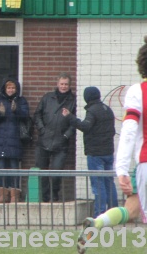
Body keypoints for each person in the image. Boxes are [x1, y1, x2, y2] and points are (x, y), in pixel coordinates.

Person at [76, 37, 147, 254]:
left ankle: (96, 224)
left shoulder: (138, 91)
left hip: (144, 164)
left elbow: (128, 132)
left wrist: (122, 169)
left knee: (132, 209)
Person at [62, 86, 117, 217]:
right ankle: (114, 213)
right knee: (109, 182)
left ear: (87, 97)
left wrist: (70, 117)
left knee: (98, 185)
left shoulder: (92, 111)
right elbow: (112, 131)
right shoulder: (107, 110)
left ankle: (100, 215)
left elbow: (85, 126)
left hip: (95, 154)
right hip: (108, 152)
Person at [33, 73, 76, 202]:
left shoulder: (73, 101)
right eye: (61, 84)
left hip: (61, 143)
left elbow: (75, 122)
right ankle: (46, 197)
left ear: (69, 85)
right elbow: (37, 115)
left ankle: (55, 194)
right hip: (44, 141)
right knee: (42, 171)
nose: (63, 86)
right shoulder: (47, 98)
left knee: (57, 171)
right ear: (57, 84)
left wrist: (66, 135)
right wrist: (42, 130)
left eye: (66, 84)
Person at [0, 79, 29, 203]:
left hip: (15, 140)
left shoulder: (21, 101)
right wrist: (0, 113)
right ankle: (3, 194)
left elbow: (25, 115)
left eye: (13, 88)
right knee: (1, 168)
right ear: (5, 89)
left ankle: (14, 195)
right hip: (0, 140)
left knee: (14, 168)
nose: (10, 90)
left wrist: (15, 110)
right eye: (8, 88)